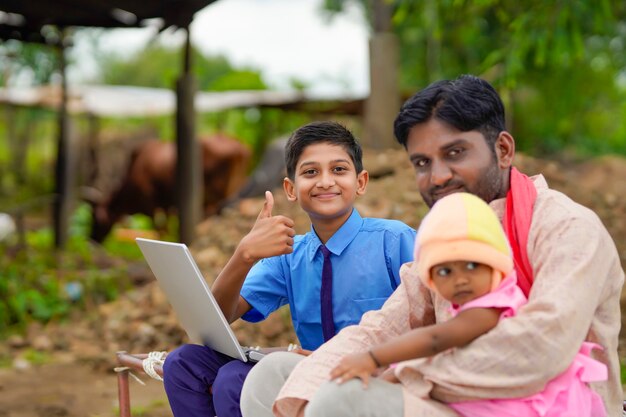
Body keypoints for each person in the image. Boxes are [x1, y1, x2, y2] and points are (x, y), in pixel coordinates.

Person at [240, 75, 624, 417]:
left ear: (504, 150)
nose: (438, 177)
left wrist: (398, 372)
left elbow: (540, 348)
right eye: (422, 162)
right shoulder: (450, 233)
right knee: (272, 379)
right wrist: (327, 376)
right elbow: (381, 328)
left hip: (543, 405)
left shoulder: (566, 227)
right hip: (447, 399)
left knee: (344, 402)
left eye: (455, 153)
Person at [162, 121, 417, 417]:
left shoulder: (394, 240)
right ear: (290, 189)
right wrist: (244, 255)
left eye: (338, 170)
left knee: (234, 380)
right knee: (183, 362)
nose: (325, 182)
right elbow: (218, 318)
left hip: (371, 374)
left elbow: (434, 316)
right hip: (306, 368)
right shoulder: (288, 253)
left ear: (360, 182)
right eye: (310, 172)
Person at [330, 192, 607, 416]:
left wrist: (373, 358)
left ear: (494, 265)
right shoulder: (475, 301)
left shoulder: (492, 306)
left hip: (523, 406)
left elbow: (437, 339)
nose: (460, 279)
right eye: (445, 272)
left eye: (473, 265)